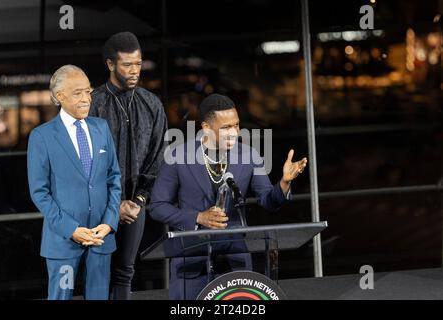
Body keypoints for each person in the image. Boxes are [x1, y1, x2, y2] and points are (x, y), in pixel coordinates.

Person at [149, 93, 308, 299]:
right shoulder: (177, 157)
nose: (234, 133)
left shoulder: (249, 155)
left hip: (236, 261)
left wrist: (284, 182)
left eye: (236, 125)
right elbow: (158, 206)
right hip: (191, 262)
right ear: (206, 127)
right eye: (225, 128)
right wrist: (198, 217)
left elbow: (268, 201)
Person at [27, 65, 121, 300]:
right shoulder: (42, 136)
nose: (86, 99)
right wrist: (71, 230)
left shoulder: (101, 128)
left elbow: (114, 179)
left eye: (88, 92)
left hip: (101, 238)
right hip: (63, 240)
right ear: (60, 96)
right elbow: (40, 193)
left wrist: (109, 223)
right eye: (78, 93)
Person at [89, 32, 168, 300]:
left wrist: (138, 199)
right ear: (111, 65)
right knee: (96, 270)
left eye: (138, 64)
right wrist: (114, 203)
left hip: (136, 204)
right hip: (97, 203)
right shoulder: (92, 104)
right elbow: (84, 162)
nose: (135, 71)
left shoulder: (151, 104)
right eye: (127, 65)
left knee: (125, 271)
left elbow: (157, 157)